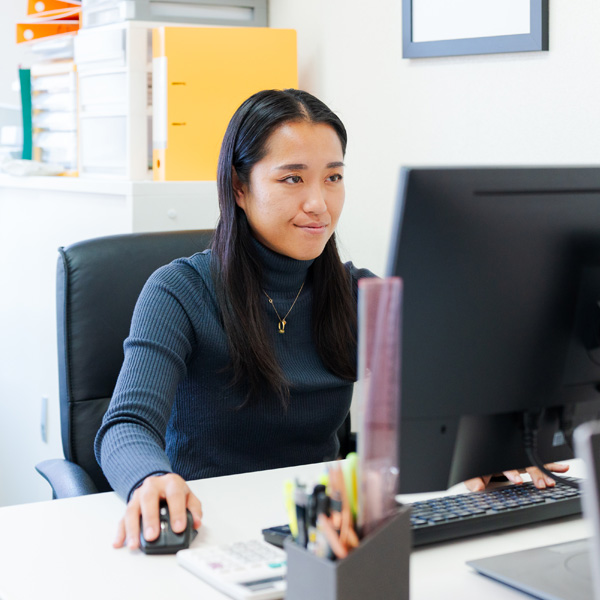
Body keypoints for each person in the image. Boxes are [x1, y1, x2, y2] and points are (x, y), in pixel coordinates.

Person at [95, 88, 567, 550]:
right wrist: (149, 478)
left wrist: (492, 447)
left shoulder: (360, 293)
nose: (319, 203)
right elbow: (127, 424)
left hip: (323, 530)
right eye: (292, 179)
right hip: (210, 528)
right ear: (239, 187)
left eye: (333, 177)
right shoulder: (179, 291)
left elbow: (449, 392)